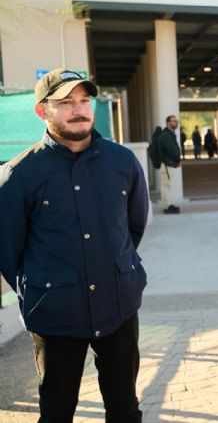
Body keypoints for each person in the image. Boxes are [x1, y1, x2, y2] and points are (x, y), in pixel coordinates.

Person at [0, 68, 148, 422]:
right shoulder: (19, 175)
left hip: (118, 307)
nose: (78, 109)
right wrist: (44, 288)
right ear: (42, 111)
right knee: (56, 411)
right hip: (56, 314)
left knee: (125, 407)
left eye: (84, 100)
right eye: (65, 102)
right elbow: (8, 252)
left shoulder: (122, 161)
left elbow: (133, 228)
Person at [158, 115, 182, 214]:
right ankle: (166, 206)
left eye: (176, 121)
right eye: (173, 121)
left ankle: (168, 204)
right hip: (167, 164)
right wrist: (177, 160)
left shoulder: (169, 134)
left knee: (167, 185)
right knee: (166, 185)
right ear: (168, 122)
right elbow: (171, 150)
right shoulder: (166, 135)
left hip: (169, 163)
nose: (175, 123)